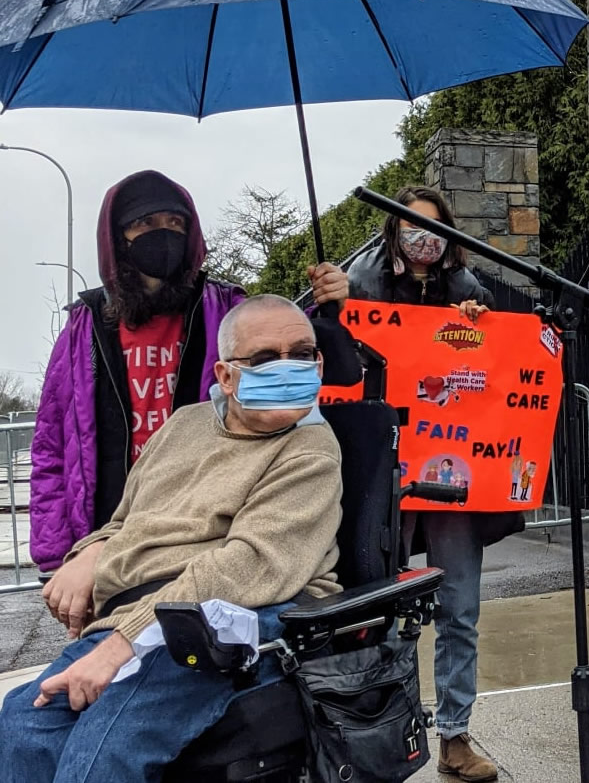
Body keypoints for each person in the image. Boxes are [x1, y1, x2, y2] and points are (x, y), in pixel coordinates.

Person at [1, 295, 344, 782]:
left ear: (320, 363)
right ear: (225, 376)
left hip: (232, 616)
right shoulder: (185, 424)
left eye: (302, 354)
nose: (288, 368)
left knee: (102, 752)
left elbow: (246, 566)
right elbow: (127, 521)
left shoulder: (309, 449)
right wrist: (87, 555)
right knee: (23, 722)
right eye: (266, 358)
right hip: (141, 614)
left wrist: (121, 645)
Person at [29, 170, 350, 572]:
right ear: (117, 237)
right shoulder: (84, 326)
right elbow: (50, 446)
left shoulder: (224, 306)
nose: (161, 234)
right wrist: (55, 555)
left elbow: (279, 350)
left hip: (202, 520)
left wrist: (326, 306)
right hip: (108, 528)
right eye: (143, 223)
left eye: (174, 223)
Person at [346, 184, 528, 783]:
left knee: (459, 610)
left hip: (454, 475)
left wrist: (484, 327)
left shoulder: (469, 292)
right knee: (379, 610)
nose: (423, 238)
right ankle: (381, 739)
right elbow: (333, 360)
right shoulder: (357, 283)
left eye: (434, 227)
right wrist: (332, 307)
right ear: (391, 233)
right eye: (410, 226)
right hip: (384, 471)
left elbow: (493, 370)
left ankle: (454, 737)